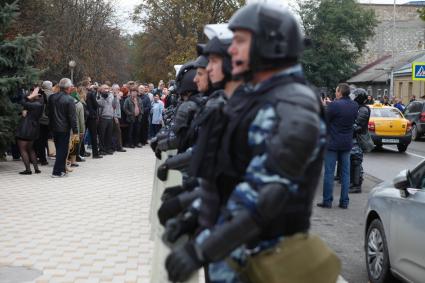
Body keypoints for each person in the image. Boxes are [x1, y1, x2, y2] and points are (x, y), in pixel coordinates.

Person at [164, 4, 329, 282]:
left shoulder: (294, 105)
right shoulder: (262, 97)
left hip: (267, 264)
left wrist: (200, 249)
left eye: (240, 41)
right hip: (238, 257)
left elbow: (265, 196)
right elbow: (225, 176)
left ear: (270, 44)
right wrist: (193, 215)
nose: (231, 50)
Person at [317, 83, 358, 209]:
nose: (335, 93)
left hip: (332, 143)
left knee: (329, 172)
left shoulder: (334, 105)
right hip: (346, 143)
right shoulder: (354, 105)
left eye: (336, 91)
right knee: (345, 174)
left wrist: (324, 107)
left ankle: (327, 201)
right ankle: (344, 202)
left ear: (340, 92)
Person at [48, 78, 79, 178]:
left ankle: (62, 170)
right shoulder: (70, 99)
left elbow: (48, 113)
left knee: (60, 149)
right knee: (62, 150)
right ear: (68, 88)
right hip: (64, 128)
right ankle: (57, 172)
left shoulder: (52, 97)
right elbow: (72, 117)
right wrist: (75, 131)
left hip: (54, 127)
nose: (72, 88)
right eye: (71, 86)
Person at [15, 87, 44, 174]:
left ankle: (28, 170)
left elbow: (22, 101)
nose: (30, 94)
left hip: (26, 128)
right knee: (30, 149)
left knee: (23, 149)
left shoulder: (36, 104)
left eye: (33, 93)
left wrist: (30, 96)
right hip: (34, 128)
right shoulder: (39, 103)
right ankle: (36, 169)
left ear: (37, 95)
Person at [349, 88, 371, 193]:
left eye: (355, 96)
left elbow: (358, 126)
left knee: (356, 161)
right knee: (353, 162)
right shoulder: (359, 108)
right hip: (354, 139)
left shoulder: (363, 110)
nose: (353, 98)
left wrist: (346, 126)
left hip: (358, 139)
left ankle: (357, 185)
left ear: (359, 98)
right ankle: (353, 183)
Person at [34, 81, 52, 166]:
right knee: (47, 139)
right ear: (49, 87)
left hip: (39, 119)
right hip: (47, 120)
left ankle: (40, 157)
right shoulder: (51, 95)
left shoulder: (39, 94)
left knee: (40, 139)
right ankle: (45, 158)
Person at [97, 84, 116, 155]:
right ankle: (101, 149)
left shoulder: (111, 95)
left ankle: (108, 148)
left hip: (110, 117)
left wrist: (115, 96)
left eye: (107, 88)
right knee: (102, 134)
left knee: (109, 134)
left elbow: (114, 105)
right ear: (101, 89)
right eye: (105, 88)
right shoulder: (99, 95)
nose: (106, 90)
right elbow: (100, 104)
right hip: (103, 117)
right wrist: (104, 97)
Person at [85, 81, 102, 159]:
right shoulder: (91, 94)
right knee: (94, 135)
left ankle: (81, 152)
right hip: (92, 116)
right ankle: (95, 154)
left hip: (84, 116)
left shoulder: (81, 94)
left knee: (82, 135)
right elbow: (96, 105)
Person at [111, 84, 126, 152]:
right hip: (114, 117)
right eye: (117, 89)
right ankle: (119, 147)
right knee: (118, 132)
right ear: (113, 89)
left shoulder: (116, 96)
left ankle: (115, 147)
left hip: (116, 116)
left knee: (115, 132)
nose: (118, 90)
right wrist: (115, 117)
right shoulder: (112, 96)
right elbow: (113, 107)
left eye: (118, 89)